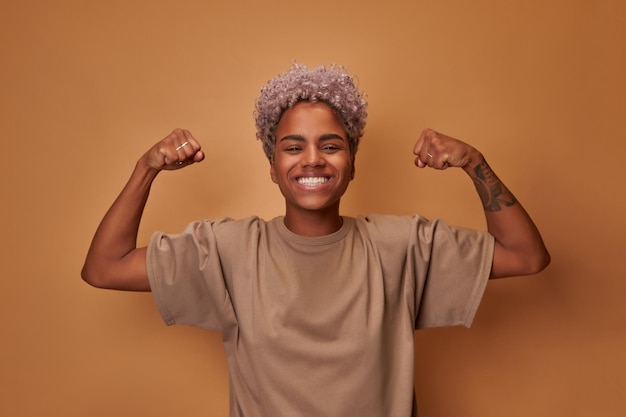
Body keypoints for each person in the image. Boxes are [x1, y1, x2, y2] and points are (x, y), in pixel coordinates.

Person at [82, 63, 550, 417]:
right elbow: (105, 266)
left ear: (351, 163)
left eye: (330, 145)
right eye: (293, 147)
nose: (313, 160)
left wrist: (475, 162)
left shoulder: (401, 245)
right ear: (272, 168)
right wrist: (147, 169)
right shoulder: (229, 249)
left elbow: (525, 256)